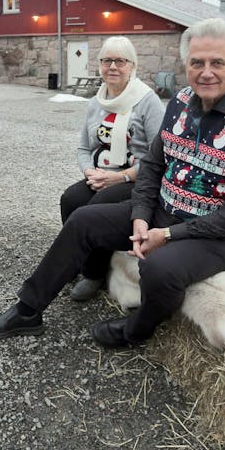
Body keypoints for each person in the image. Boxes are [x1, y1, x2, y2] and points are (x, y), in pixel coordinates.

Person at [0, 18, 225, 347]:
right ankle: (27, 311)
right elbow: (152, 163)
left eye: (217, 62)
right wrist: (140, 213)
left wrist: (166, 235)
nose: (206, 72)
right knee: (82, 220)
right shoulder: (180, 103)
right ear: (186, 64)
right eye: (197, 62)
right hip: (167, 212)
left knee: (159, 270)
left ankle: (137, 329)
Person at [61, 37, 164, 301]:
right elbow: (83, 148)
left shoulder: (147, 102)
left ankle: (94, 274)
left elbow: (159, 157)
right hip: (101, 175)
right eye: (107, 60)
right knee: (70, 198)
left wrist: (120, 177)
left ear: (132, 66)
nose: (113, 67)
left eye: (120, 61)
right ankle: (75, 257)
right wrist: (89, 173)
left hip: (134, 179)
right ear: (100, 66)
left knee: (95, 207)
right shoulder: (96, 102)